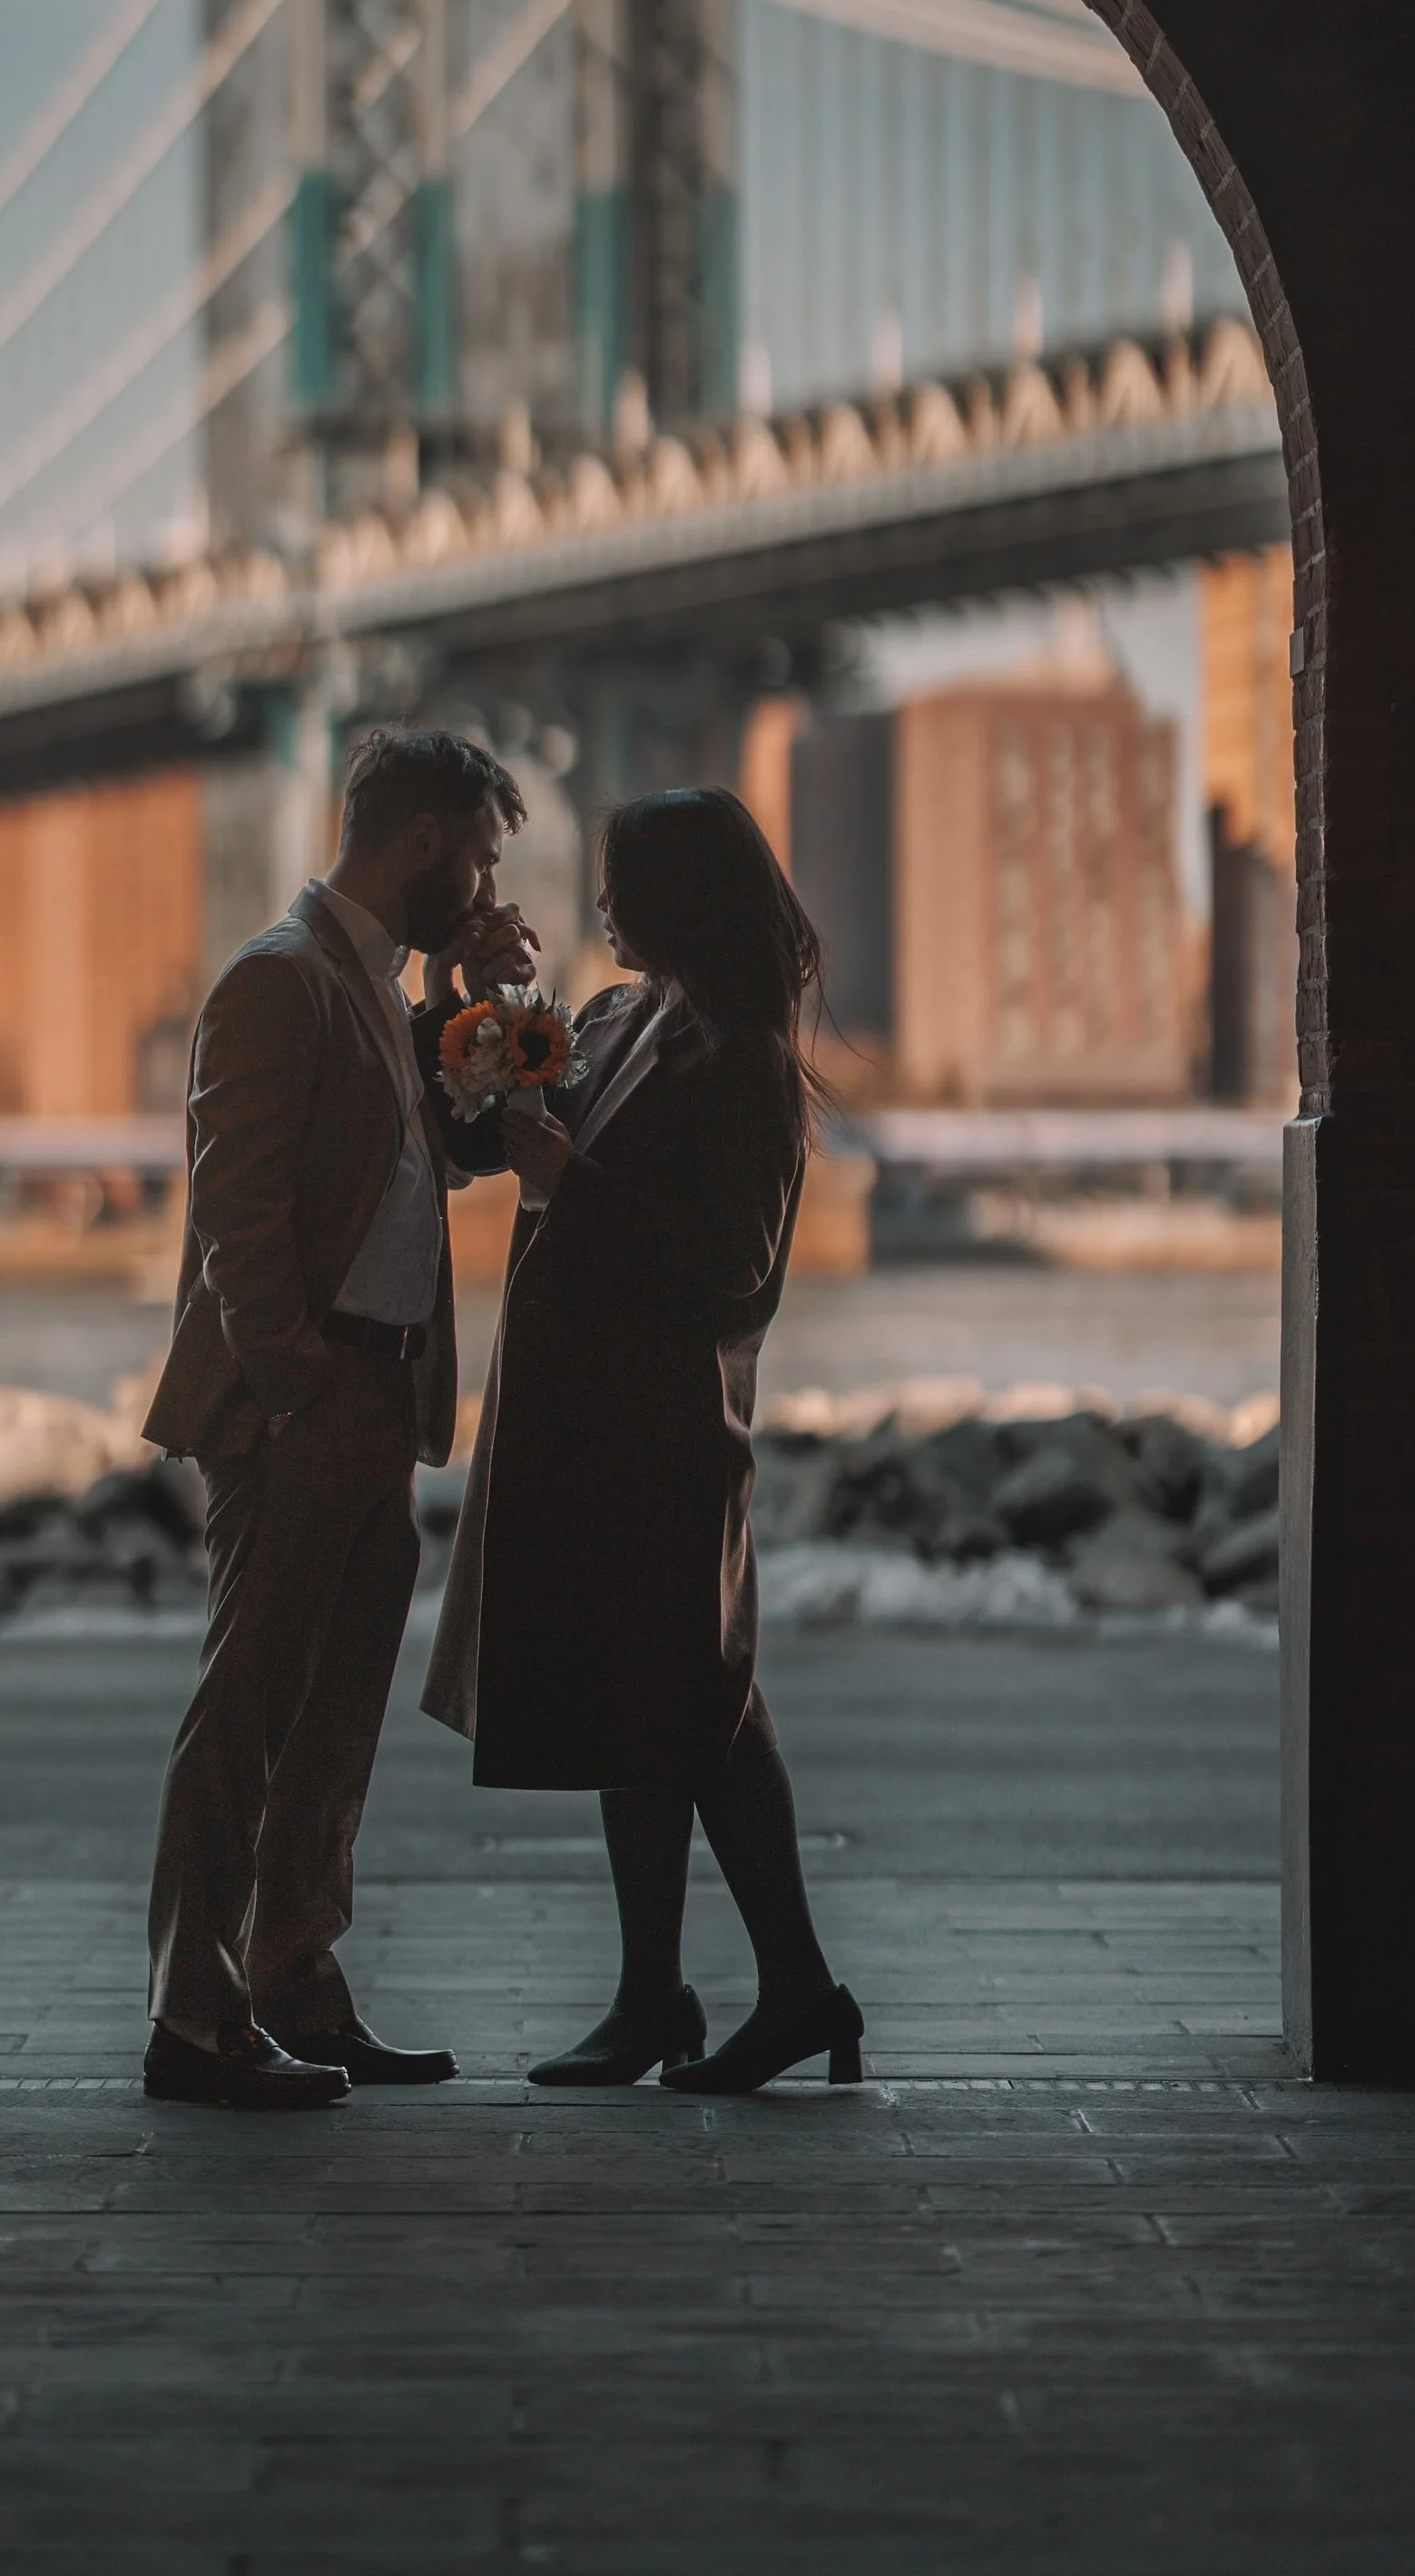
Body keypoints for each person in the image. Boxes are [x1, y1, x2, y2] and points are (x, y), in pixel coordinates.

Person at [423, 786, 863, 2092]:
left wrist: (573, 1188)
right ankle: (683, 1995)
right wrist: (470, 997)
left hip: (667, 1435)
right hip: (588, 1429)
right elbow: (470, 1107)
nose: (600, 901)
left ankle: (762, 1993)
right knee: (659, 1702)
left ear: (678, 896)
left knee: (698, 1707)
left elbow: (734, 1278)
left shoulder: (742, 1066)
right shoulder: (613, 1019)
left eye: (623, 880)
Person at [142, 725, 533, 2109]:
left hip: (382, 1394)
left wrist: (500, 995)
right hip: (301, 1401)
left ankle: (297, 1985)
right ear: (419, 841)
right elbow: (233, 1210)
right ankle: (195, 2019)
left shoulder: (380, 989)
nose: (487, 885)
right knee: (248, 1708)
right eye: (480, 855)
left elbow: (487, 1140)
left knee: (333, 1720)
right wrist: (294, 1380)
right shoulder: (278, 980)